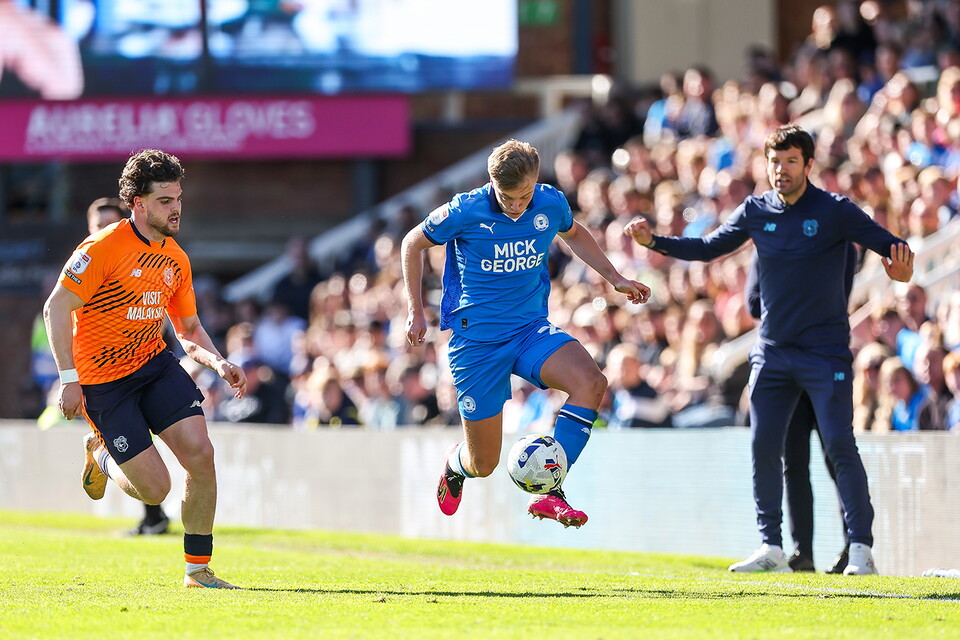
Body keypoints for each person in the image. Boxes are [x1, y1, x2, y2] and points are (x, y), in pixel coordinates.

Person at [625, 124, 914, 575]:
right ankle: (772, 547)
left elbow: (891, 246)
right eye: (774, 161)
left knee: (839, 445)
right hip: (773, 353)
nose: (781, 170)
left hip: (825, 355)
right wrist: (654, 242)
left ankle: (860, 548)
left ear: (809, 165)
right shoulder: (756, 210)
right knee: (764, 447)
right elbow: (707, 248)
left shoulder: (835, 210)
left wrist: (900, 268)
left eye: (791, 161)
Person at [401, 139, 650, 528]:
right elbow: (412, 242)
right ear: (491, 183)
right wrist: (416, 311)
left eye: (523, 195)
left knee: (591, 383)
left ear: (536, 181)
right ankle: (455, 465)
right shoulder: (465, 210)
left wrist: (615, 278)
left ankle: (550, 493)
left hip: (529, 329)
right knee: (483, 463)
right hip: (477, 343)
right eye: (507, 197)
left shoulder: (550, 202)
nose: (516, 205)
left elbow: (575, 232)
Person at [42, 149, 247, 589]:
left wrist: (218, 361)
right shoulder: (101, 248)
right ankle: (100, 452)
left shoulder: (176, 258)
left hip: (153, 366)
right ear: (138, 203)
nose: (176, 209)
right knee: (156, 490)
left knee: (202, 455)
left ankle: (198, 571)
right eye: (164, 201)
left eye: (178, 198)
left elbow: (188, 327)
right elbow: (55, 307)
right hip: (103, 383)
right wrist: (67, 378)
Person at [745, 244, 859, 574]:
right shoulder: (767, 246)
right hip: (784, 369)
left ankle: (856, 545)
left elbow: (837, 299)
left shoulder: (837, 245)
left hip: (824, 365)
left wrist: (788, 298)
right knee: (794, 463)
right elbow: (753, 302)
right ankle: (802, 551)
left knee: (838, 454)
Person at [86, 197, 173, 536]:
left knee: (146, 441)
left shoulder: (137, 259)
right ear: (91, 229)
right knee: (134, 444)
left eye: (113, 222)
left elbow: (158, 311)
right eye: (100, 225)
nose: (109, 229)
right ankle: (104, 458)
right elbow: (62, 317)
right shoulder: (85, 265)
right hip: (102, 377)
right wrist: (69, 377)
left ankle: (154, 517)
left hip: (145, 365)